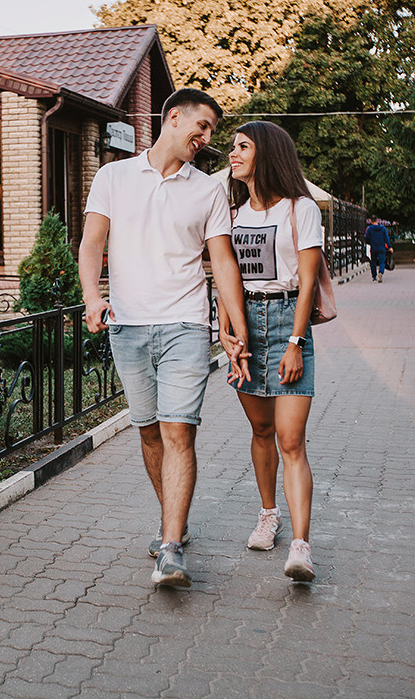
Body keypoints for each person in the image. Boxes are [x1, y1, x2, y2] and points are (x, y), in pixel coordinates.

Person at [79, 88, 249, 589]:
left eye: (212, 132)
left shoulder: (208, 191)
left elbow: (222, 262)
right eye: (201, 127)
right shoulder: (113, 177)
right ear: (173, 118)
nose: (206, 138)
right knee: (149, 431)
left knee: (179, 431)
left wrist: (231, 326)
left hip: (185, 326)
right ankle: (172, 520)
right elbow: (91, 244)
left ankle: (171, 548)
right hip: (127, 325)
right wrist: (93, 297)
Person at [218, 120, 322, 582]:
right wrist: (225, 329)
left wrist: (296, 343)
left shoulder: (301, 210)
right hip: (246, 327)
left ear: (266, 152)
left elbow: (308, 284)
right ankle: (268, 514)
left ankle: (300, 547)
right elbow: (227, 278)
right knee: (261, 430)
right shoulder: (234, 215)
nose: (232, 154)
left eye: (241, 147)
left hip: (285, 322)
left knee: (290, 439)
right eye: (231, 147)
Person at [364, 217, 391, 282]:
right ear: (377, 220)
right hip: (381, 247)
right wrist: (390, 247)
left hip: (373, 247)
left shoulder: (369, 229)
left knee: (373, 262)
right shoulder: (383, 228)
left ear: (370, 221)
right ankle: (380, 272)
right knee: (382, 262)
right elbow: (386, 238)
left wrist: (369, 242)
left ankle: (374, 276)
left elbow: (366, 238)